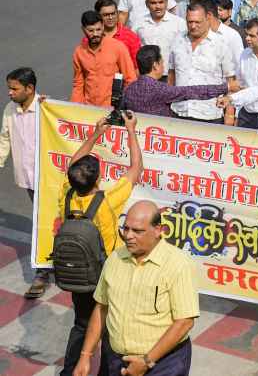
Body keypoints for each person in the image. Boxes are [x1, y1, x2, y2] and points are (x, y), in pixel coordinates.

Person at [72, 200, 199, 376]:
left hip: (162, 364)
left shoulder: (178, 265)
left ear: (158, 230)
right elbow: (102, 307)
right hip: (115, 360)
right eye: (126, 229)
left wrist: (146, 361)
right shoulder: (115, 259)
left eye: (138, 231)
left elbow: (185, 322)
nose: (129, 236)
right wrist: (85, 356)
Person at [63, 114, 143, 376]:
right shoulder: (107, 200)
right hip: (104, 277)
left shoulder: (68, 194)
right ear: (98, 180)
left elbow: (73, 164)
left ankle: (70, 372)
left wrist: (96, 134)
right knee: (109, 330)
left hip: (77, 274)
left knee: (82, 324)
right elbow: (135, 169)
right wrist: (130, 130)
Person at [0, 67, 50, 298]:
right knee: (42, 222)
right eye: (9, 88)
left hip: (50, 179)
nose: (10, 93)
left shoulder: (46, 107)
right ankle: (45, 268)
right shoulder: (10, 109)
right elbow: (5, 139)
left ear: (30, 89)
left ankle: (44, 271)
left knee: (50, 222)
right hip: (28, 179)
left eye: (14, 88)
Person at [167, 2, 238, 124]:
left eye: (197, 22)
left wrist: (229, 117)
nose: (193, 26)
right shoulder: (178, 40)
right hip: (179, 112)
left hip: (210, 116)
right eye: (190, 22)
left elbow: (231, 83)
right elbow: (171, 76)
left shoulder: (221, 44)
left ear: (207, 19)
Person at [123, 45, 228, 117]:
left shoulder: (129, 89)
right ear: (155, 65)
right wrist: (224, 87)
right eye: (162, 63)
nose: (164, 66)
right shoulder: (159, 89)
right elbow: (192, 91)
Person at [71, 10, 137, 107]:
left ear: (103, 26)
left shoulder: (118, 47)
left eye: (98, 29)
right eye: (91, 31)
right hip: (89, 107)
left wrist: (124, 106)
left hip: (113, 108)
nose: (95, 34)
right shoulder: (79, 52)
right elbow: (78, 84)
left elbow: (130, 79)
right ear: (83, 29)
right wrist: (74, 108)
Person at [132, 0, 186, 78]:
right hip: (147, 76)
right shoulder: (138, 24)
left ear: (166, 2)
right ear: (147, 4)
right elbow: (133, 49)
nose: (158, 6)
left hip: (171, 76)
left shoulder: (179, 23)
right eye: (153, 3)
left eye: (161, 2)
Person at [93, 0, 141, 66]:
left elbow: (137, 67)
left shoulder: (131, 37)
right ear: (98, 16)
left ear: (117, 13)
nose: (110, 17)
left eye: (113, 13)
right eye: (106, 15)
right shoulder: (91, 38)